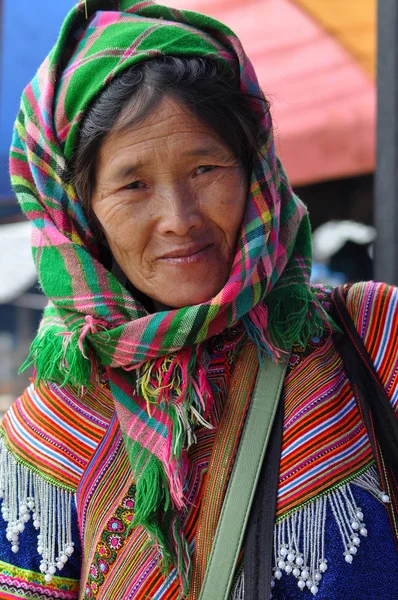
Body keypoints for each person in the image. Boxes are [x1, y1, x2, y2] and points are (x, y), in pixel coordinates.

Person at [1, 1, 397, 599]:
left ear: (255, 172)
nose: (179, 219)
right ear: (78, 210)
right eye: (133, 184)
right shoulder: (49, 429)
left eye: (206, 168)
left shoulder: (372, 337)